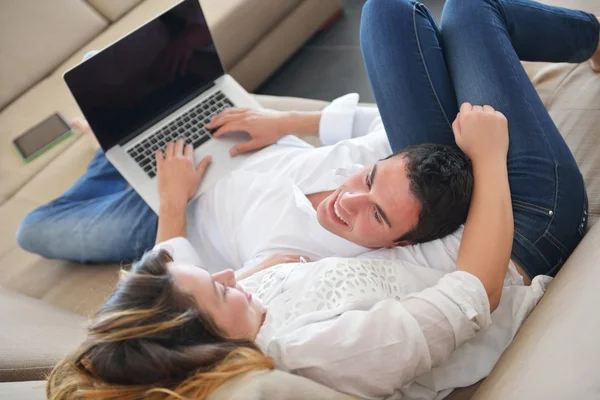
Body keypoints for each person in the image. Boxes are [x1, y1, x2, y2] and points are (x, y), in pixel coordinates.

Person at [46, 0, 599, 399]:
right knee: (470, 13)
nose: (233, 274)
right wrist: (487, 157)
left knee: (412, 12)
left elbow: (179, 266)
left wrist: (286, 126)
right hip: (518, 230)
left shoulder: (247, 308)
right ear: (205, 349)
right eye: (220, 288)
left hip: (439, 203)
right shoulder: (319, 350)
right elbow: (473, 292)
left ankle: (113, 144)